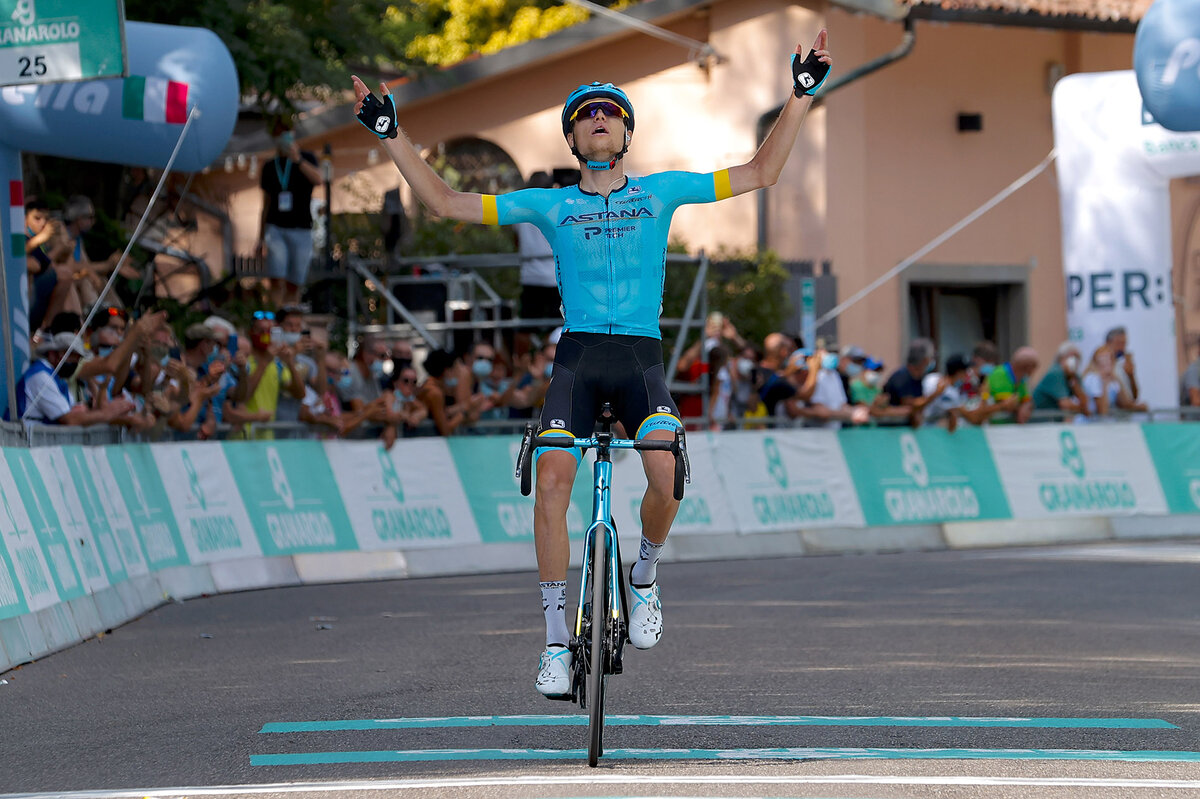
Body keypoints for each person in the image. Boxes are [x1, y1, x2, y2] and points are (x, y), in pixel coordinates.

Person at [354, 28, 832, 698]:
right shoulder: (551, 205)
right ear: (573, 140)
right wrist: (390, 133)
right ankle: (554, 640)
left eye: (611, 111)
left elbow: (761, 172)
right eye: (586, 114)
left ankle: (644, 576)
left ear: (626, 134)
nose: (599, 117)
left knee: (665, 473)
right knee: (552, 478)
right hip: (578, 357)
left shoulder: (660, 192)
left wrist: (802, 94)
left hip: (639, 357)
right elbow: (445, 203)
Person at [10, 332, 135, 425]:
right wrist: (106, 414)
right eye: (71, 357)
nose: (75, 362)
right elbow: (70, 419)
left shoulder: (59, 379)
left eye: (77, 359)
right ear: (53, 353)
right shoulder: (41, 376)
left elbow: (76, 412)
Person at [258, 130, 322, 308]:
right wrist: (260, 237)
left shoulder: (307, 157)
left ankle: (290, 316)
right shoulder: (270, 166)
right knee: (276, 277)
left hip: (301, 227)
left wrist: (298, 160)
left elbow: (318, 179)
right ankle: (275, 315)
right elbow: (265, 204)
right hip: (276, 227)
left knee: (295, 281)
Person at [873, 338, 943, 425]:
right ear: (925, 360)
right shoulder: (901, 377)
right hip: (892, 429)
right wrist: (936, 393)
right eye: (931, 358)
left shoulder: (920, 378)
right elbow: (912, 406)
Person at [982, 346, 1039, 424]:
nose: (1033, 372)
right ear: (1027, 367)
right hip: (994, 427)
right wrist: (1021, 408)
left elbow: (1026, 400)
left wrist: (1026, 406)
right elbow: (1007, 405)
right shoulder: (1000, 373)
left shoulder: (1021, 379)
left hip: (1010, 427)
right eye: (1034, 367)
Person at [1032, 341, 1088, 421]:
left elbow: (1085, 403)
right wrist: (1081, 409)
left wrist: (1073, 381)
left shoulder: (1074, 376)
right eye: (1070, 357)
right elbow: (1065, 404)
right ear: (1061, 359)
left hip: (1053, 423)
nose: (1074, 361)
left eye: (1076, 358)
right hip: (1039, 422)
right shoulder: (1056, 372)